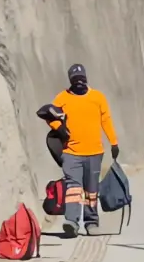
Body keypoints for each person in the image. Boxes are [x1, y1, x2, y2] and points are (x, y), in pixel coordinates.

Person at [50, 64, 119, 237]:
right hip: (71, 153)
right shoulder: (62, 98)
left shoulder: (98, 97)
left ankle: (91, 223)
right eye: (76, 80)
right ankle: (72, 222)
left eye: (82, 79)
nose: (79, 83)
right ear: (70, 82)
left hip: (95, 152)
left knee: (91, 189)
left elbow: (106, 120)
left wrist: (114, 142)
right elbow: (51, 116)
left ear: (86, 79)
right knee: (73, 188)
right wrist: (59, 128)